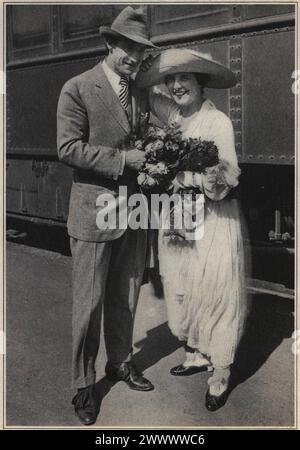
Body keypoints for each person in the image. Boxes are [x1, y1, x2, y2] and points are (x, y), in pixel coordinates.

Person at [57, 7, 156, 425]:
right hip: (94, 212)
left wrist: (155, 154)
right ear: (109, 44)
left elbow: (144, 136)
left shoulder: (138, 93)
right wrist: (124, 159)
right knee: (89, 304)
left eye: (140, 50)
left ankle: (120, 362)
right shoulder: (78, 88)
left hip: (131, 211)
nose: (134, 57)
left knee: (125, 297)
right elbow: (67, 148)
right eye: (127, 47)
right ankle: (83, 385)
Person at [136, 49, 249, 411]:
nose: (176, 85)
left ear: (201, 83)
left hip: (213, 218)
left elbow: (227, 176)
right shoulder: (174, 116)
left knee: (215, 288)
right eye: (171, 79)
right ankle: (198, 353)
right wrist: (144, 67)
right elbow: (144, 94)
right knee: (183, 283)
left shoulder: (217, 123)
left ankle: (220, 369)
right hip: (178, 217)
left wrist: (188, 176)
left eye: (185, 78)